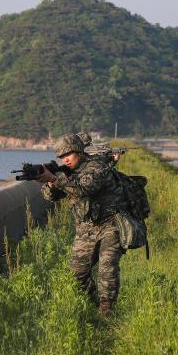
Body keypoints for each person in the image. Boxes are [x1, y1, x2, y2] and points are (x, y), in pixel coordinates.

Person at [37, 133, 128, 317]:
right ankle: (93, 302)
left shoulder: (97, 167)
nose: (65, 160)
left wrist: (55, 179)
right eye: (62, 157)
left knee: (107, 268)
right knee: (77, 275)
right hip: (86, 229)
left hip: (110, 225)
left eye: (68, 154)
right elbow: (51, 197)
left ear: (79, 151)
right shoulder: (68, 173)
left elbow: (82, 190)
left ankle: (106, 312)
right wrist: (50, 184)